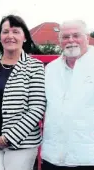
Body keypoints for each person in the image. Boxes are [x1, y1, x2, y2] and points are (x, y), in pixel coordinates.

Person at [0, 14, 46, 170]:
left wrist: (9, 138)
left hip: (22, 143)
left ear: (25, 37)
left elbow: (37, 107)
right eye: (5, 32)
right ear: (0, 37)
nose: (10, 36)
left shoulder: (35, 66)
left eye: (16, 31)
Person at [42, 20, 94, 170]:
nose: (70, 40)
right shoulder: (50, 69)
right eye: (65, 37)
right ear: (59, 42)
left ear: (87, 37)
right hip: (53, 156)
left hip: (88, 157)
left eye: (76, 35)